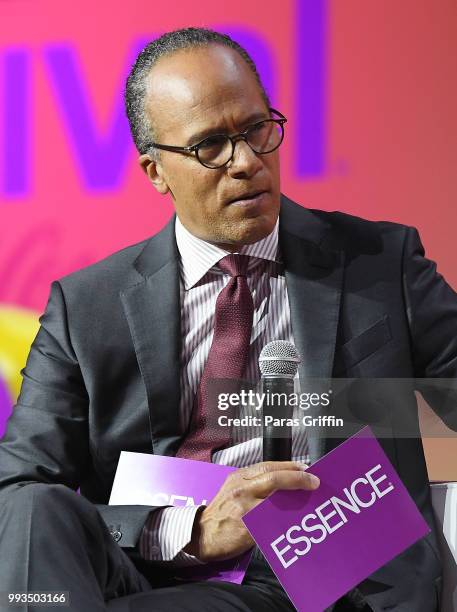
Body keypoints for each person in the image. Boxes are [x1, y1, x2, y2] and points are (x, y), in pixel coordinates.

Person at [0, 27, 456, 612]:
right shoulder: (87, 306)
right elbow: (17, 485)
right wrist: (184, 532)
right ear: (155, 173)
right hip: (142, 569)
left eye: (257, 130)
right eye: (209, 146)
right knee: (33, 510)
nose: (245, 163)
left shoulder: (378, 265)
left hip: (316, 573)